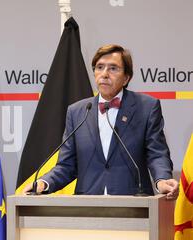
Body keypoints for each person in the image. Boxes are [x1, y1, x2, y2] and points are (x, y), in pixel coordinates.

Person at [23, 44, 179, 199]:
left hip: (134, 204)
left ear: (126, 78)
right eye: (99, 67)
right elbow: (66, 165)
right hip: (88, 208)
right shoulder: (77, 111)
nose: (104, 74)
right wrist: (44, 182)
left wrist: (162, 180)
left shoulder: (146, 107)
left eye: (113, 68)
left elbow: (157, 154)